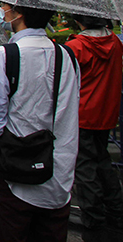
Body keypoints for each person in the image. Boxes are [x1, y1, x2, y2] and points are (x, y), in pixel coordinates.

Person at [0, 3, 80, 242]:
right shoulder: (68, 57)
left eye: (5, 7)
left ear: (18, 13)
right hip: (58, 179)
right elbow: (70, 112)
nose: (3, 12)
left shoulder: (3, 56)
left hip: (13, 179)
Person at [65, 15, 123, 241]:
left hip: (81, 114)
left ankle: (93, 215)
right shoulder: (115, 43)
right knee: (102, 160)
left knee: (85, 166)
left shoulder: (77, 46)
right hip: (105, 113)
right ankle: (116, 209)